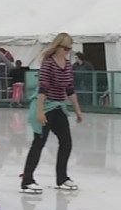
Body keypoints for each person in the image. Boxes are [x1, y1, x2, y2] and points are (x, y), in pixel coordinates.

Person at [21, 33, 84, 194]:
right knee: (39, 143)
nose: (68, 51)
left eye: (70, 48)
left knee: (66, 142)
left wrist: (77, 110)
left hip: (58, 107)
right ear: (57, 47)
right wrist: (40, 112)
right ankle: (27, 181)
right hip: (45, 106)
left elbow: (69, 89)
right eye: (66, 48)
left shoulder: (68, 64)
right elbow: (43, 88)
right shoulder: (48, 64)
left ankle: (62, 178)